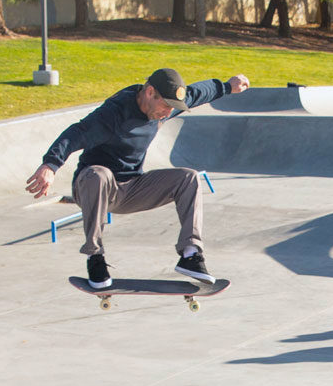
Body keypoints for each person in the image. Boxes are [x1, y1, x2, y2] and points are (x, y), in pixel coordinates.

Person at [26, 66, 249, 289]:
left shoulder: (166, 104)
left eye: (173, 108)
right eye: (166, 106)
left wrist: (228, 86)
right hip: (94, 188)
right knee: (99, 174)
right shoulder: (113, 114)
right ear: (150, 92)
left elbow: (198, 92)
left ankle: (190, 254)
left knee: (188, 178)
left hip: (133, 188)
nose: (168, 113)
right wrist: (50, 165)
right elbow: (76, 133)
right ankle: (95, 257)